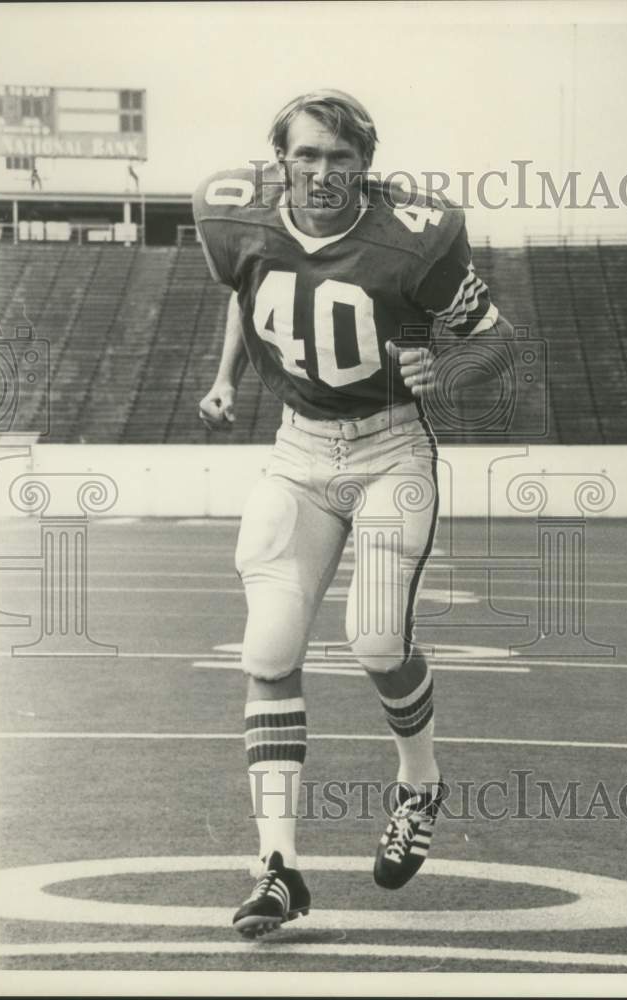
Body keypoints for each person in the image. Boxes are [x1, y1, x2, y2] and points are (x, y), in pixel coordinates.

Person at [194, 89, 513, 939]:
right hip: (298, 450)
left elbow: (496, 337)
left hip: (390, 450)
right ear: (280, 158)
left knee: (375, 638)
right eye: (307, 155)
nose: (324, 172)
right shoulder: (238, 216)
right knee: (268, 648)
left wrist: (446, 375)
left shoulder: (416, 234)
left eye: (341, 158)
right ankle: (277, 869)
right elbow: (244, 287)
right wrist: (226, 378)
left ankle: (419, 784)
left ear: (365, 164)